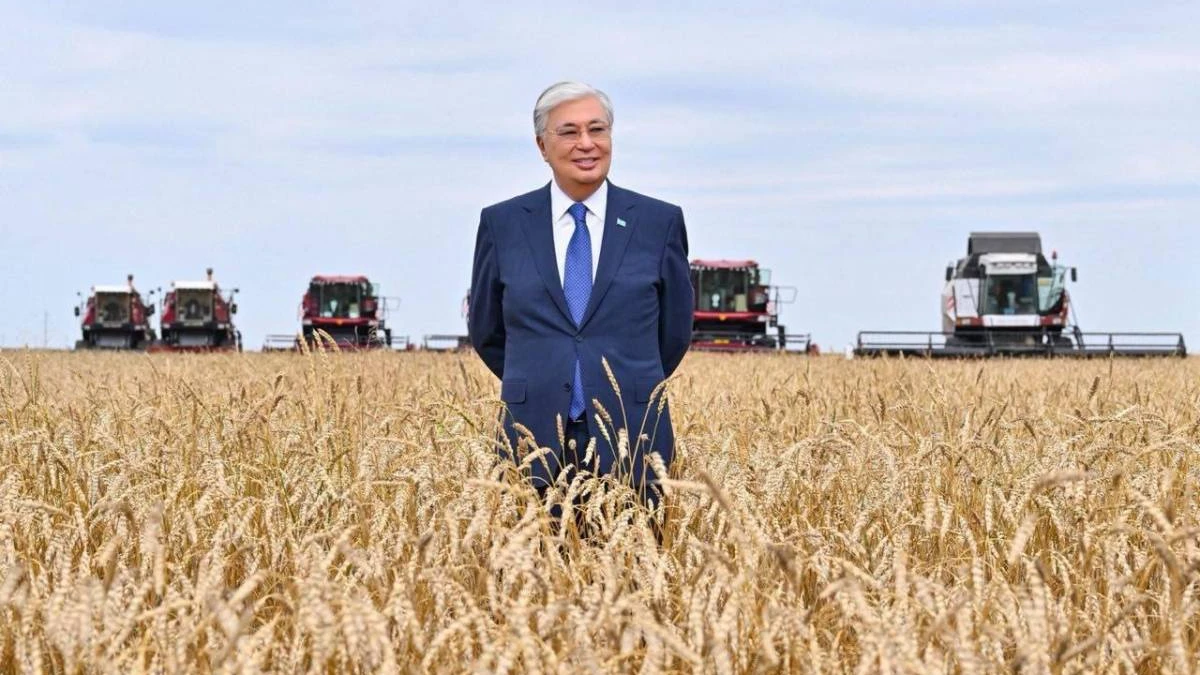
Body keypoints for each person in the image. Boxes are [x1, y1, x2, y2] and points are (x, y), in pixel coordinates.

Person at [469, 81, 693, 510]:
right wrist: (543, 377)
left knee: (638, 553)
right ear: (542, 145)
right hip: (531, 439)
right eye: (569, 132)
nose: (586, 143)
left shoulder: (658, 222)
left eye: (597, 129)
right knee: (532, 552)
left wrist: (622, 383)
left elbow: (675, 332)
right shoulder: (502, 224)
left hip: (634, 436)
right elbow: (486, 330)